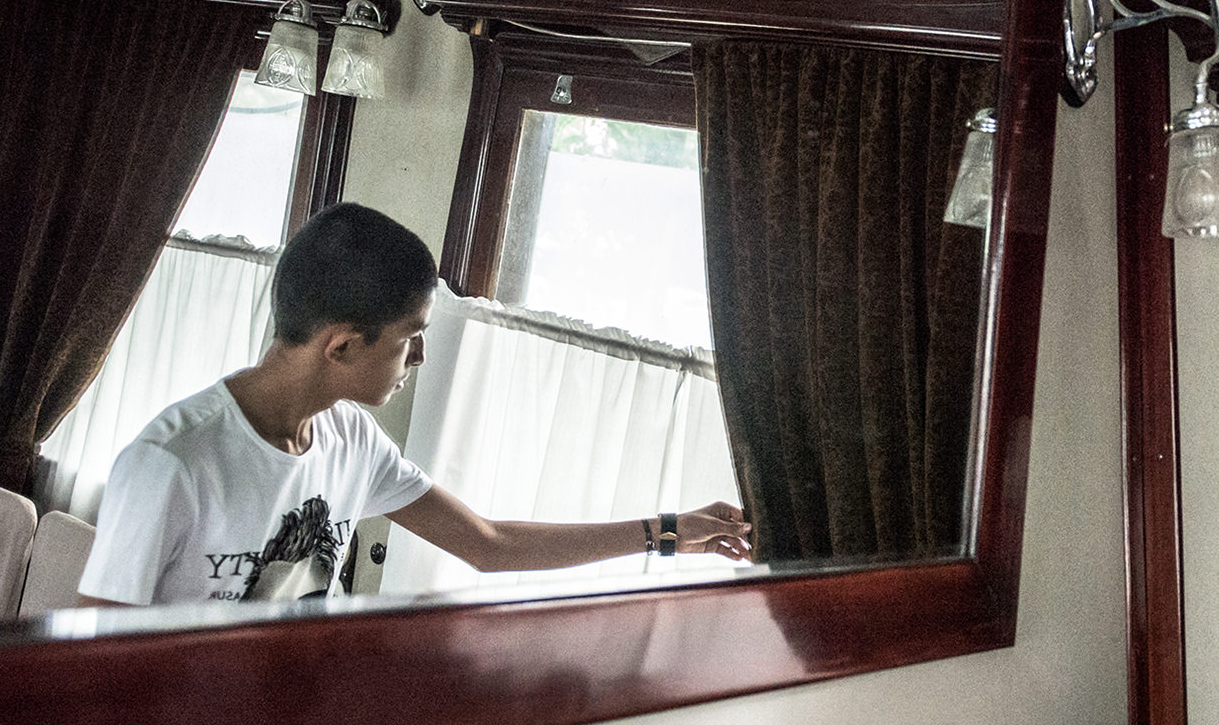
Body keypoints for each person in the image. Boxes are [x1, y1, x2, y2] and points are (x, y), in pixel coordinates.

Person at [78, 202, 750, 607]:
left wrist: (666, 533)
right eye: (411, 338)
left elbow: (489, 545)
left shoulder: (351, 441)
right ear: (341, 345)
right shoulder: (173, 463)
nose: (420, 359)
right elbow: (82, 670)